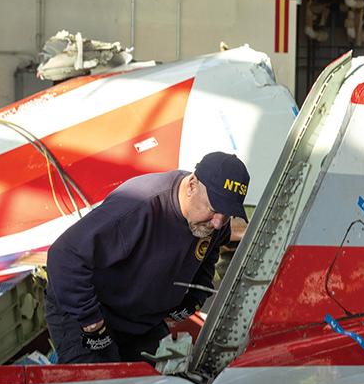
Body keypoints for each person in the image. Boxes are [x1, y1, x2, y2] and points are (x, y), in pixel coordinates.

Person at [44, 151, 250, 363]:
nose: (218, 223)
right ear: (191, 186)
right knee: (101, 381)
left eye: (227, 215)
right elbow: (64, 255)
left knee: (164, 379)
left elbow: (210, 250)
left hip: (140, 319)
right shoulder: (138, 206)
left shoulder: (213, 223)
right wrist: (91, 319)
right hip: (90, 311)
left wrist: (194, 298)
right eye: (214, 209)